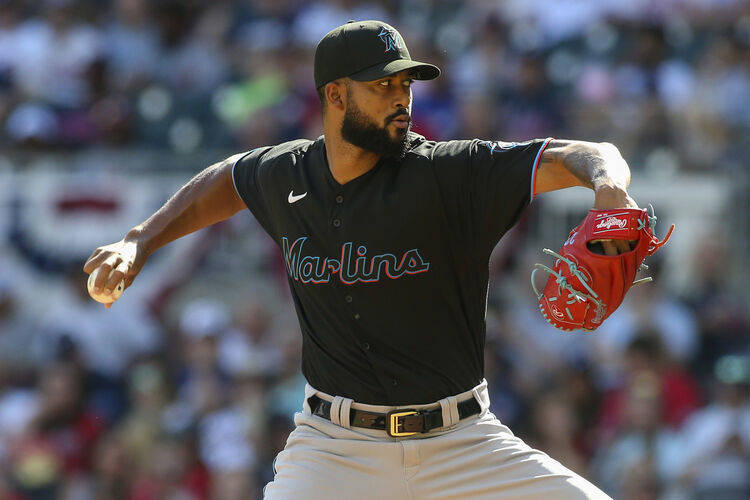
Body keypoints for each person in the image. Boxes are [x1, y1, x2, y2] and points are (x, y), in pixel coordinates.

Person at [84, 20, 638, 499]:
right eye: (383, 86)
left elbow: (585, 153)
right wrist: (139, 240)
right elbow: (225, 180)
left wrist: (609, 184)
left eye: (406, 84)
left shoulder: (449, 174)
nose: (402, 98)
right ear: (336, 96)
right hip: (334, 450)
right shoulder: (288, 175)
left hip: (462, 443)